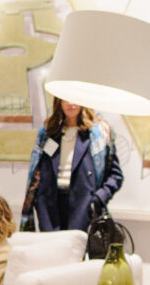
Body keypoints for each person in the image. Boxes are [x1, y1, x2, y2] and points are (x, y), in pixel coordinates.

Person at [21, 98, 123, 232]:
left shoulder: (99, 133)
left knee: (77, 244)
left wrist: (99, 198)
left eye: (75, 99)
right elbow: (38, 171)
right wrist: (39, 201)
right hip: (49, 209)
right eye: (65, 99)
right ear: (58, 101)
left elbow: (115, 175)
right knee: (51, 245)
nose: (70, 103)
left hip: (83, 207)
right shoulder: (48, 132)